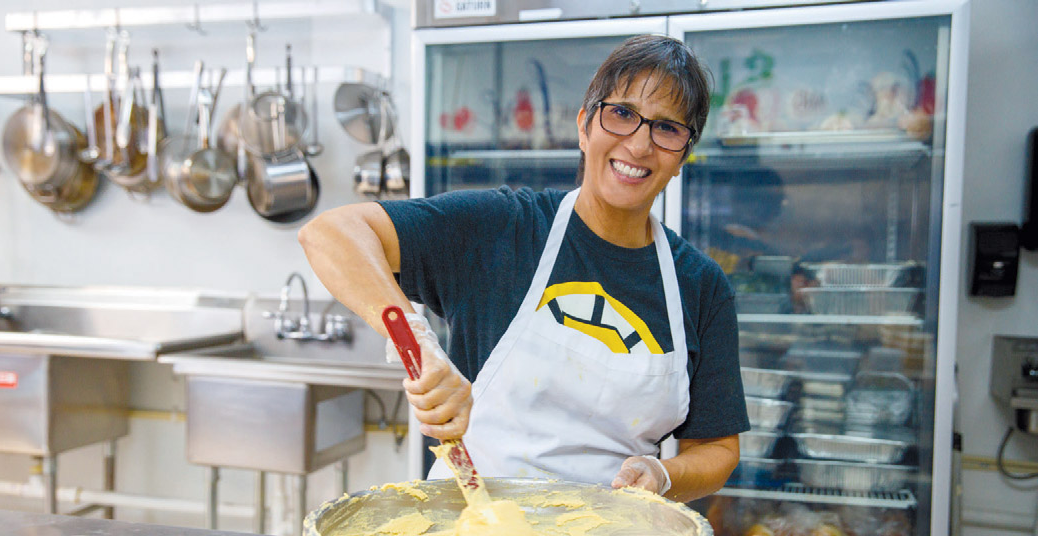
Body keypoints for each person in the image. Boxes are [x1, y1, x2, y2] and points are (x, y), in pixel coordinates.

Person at [299, 35, 749, 502]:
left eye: (668, 128)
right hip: (473, 535)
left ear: (683, 157)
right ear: (584, 126)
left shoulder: (699, 286)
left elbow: (716, 448)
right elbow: (332, 234)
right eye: (621, 114)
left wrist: (663, 475)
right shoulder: (503, 228)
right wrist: (418, 343)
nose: (638, 144)